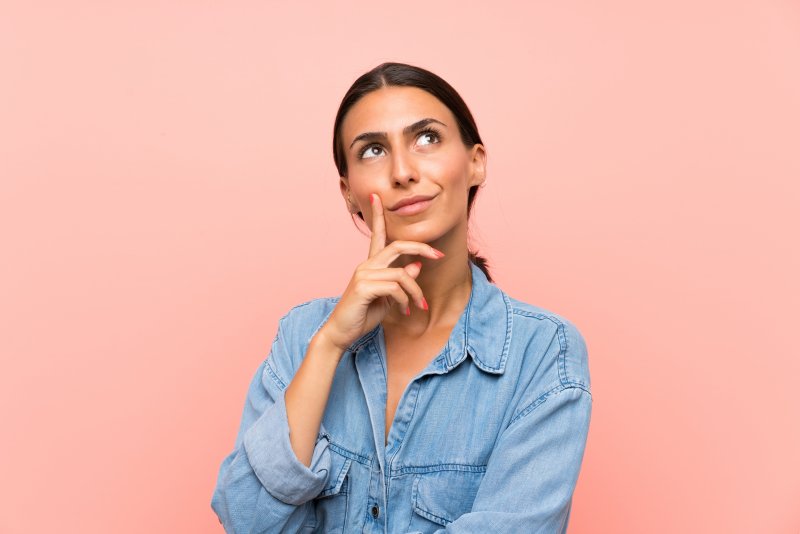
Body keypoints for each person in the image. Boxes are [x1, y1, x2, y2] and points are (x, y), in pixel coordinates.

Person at [210, 61, 593, 533]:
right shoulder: (303, 336)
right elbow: (246, 520)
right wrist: (329, 345)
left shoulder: (541, 353)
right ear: (349, 193)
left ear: (476, 161)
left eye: (427, 138)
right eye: (373, 150)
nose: (403, 171)